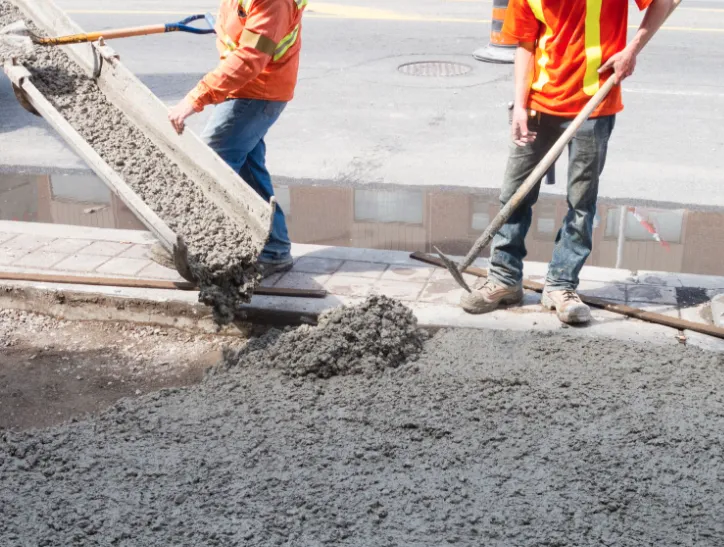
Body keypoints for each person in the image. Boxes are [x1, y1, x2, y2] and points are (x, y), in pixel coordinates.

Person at [461, 0, 674, 324]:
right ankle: (504, 279)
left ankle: (561, 286)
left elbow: (665, 2)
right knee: (514, 195)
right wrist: (520, 106)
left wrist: (631, 50)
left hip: (594, 104)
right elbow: (525, 46)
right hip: (539, 104)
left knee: (581, 203)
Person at [162, 0, 307, 277]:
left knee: (210, 165)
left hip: (257, 92)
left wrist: (196, 98)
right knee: (248, 173)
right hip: (248, 88)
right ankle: (274, 248)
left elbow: (251, 57)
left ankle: (199, 249)